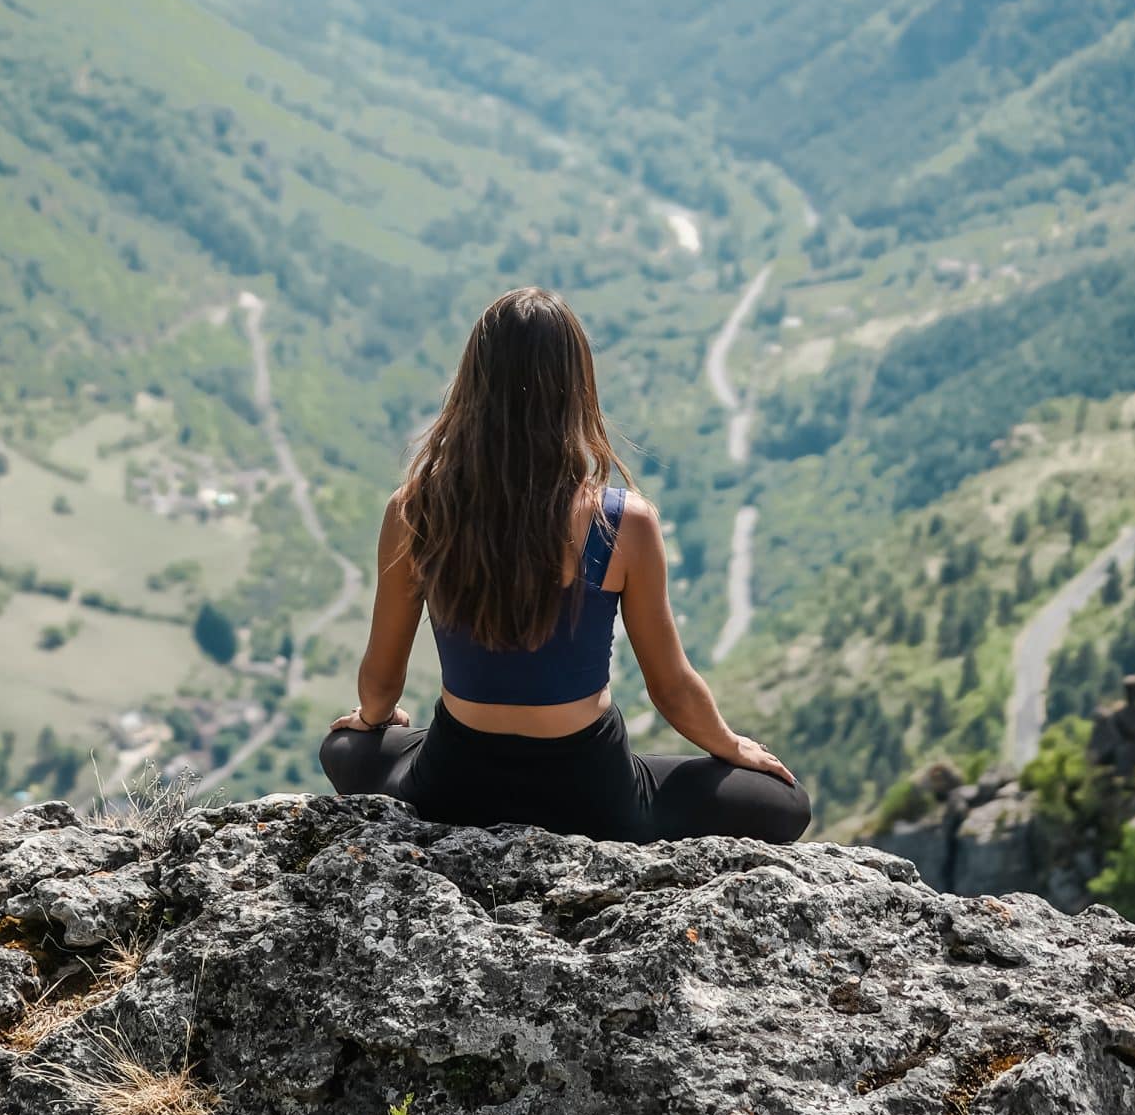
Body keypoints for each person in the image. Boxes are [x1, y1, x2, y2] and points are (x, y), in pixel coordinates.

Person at [318, 286, 809, 845]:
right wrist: (730, 743)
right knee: (785, 801)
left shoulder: (417, 510)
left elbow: (381, 682)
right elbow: (670, 688)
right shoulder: (623, 524)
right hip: (592, 797)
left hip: (452, 789)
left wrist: (374, 717)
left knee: (344, 746)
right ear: (576, 389)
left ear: (472, 384)